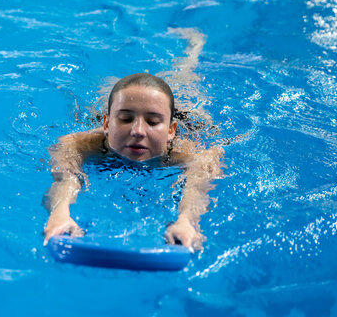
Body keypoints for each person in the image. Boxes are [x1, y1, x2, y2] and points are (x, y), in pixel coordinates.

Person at [43, 72, 225, 251]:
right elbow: (65, 178)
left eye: (152, 122)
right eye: (126, 119)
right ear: (106, 124)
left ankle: (193, 48)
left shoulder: (191, 154)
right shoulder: (79, 145)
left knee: (187, 79)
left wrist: (187, 221)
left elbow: (197, 186)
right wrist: (60, 210)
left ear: (171, 131)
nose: (138, 131)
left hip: (189, 118)